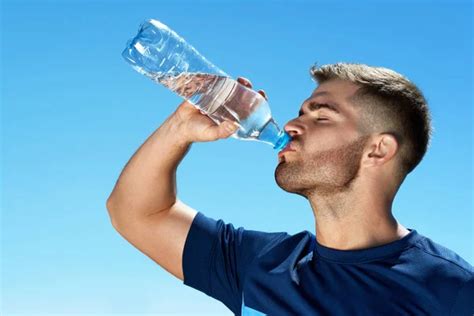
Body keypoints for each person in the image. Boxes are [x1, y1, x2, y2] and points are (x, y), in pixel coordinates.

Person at [106, 63, 474, 315]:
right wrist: (180, 129)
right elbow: (137, 212)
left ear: (377, 150)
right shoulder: (261, 263)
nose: (294, 123)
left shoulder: (451, 292)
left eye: (322, 114)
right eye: (301, 111)